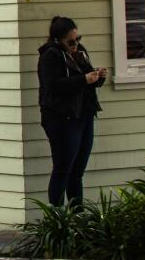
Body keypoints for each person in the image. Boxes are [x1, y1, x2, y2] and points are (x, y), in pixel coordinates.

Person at [38, 15, 108, 207]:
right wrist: (84, 80)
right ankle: (57, 218)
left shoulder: (80, 52)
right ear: (57, 40)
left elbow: (86, 79)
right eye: (70, 41)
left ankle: (77, 219)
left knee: (77, 171)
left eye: (77, 39)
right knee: (63, 168)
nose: (75, 44)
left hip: (83, 114)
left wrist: (98, 77)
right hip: (62, 118)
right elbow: (53, 86)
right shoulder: (50, 55)